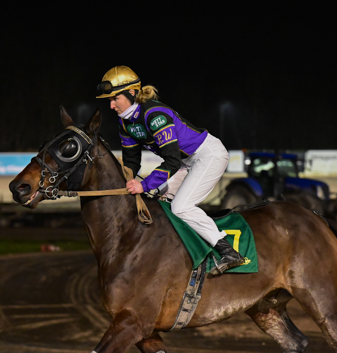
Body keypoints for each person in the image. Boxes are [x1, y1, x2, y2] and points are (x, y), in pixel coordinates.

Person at [96, 65, 246, 275]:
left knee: (181, 207)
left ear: (132, 93)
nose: (111, 105)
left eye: (115, 99)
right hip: (186, 162)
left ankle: (228, 251)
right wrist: (124, 182)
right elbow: (131, 161)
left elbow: (172, 161)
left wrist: (144, 184)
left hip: (208, 156)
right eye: (109, 100)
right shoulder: (125, 123)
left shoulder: (154, 114)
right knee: (159, 203)